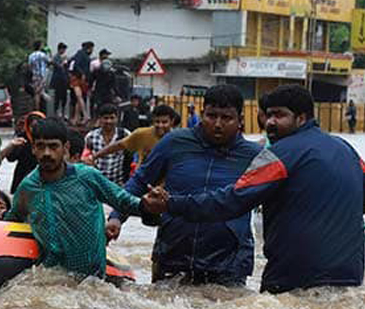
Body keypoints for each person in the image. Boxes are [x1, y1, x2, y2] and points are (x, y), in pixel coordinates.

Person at [144, 84, 365, 294]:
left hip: (294, 277)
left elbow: (231, 201)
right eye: (268, 115)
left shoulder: (279, 154)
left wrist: (171, 203)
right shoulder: (348, 151)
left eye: (279, 115)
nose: (270, 122)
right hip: (350, 276)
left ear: (301, 118)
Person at [108, 85, 262, 286]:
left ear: (240, 120)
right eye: (211, 115)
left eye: (226, 118)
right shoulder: (175, 142)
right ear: (201, 114)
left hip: (228, 263)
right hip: (173, 254)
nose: (217, 124)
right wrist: (116, 218)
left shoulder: (254, 156)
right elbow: (140, 181)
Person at [5, 117, 143, 278]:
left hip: (93, 280)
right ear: (33, 149)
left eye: (53, 146)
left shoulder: (87, 177)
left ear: (65, 148)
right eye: (40, 146)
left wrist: (149, 207)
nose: (47, 153)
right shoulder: (27, 188)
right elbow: (12, 221)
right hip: (52, 281)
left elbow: (123, 200)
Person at [92, 104, 175, 171]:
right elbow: (118, 145)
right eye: (157, 122)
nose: (160, 125)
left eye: (164, 122)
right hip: (142, 179)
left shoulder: (177, 139)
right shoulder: (141, 134)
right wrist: (94, 156)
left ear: (172, 121)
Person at [83, 103, 130, 186]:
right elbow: (85, 158)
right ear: (100, 119)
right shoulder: (90, 137)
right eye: (106, 118)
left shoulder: (125, 134)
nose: (109, 121)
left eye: (112, 118)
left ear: (117, 119)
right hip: (96, 183)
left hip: (118, 184)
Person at [3, 111, 45, 194]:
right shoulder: (22, 138)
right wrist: (14, 146)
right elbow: (11, 158)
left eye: (38, 126)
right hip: (22, 176)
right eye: (32, 126)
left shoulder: (47, 139)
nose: (35, 130)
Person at [68, 41, 94, 125]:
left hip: (81, 78)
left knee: (79, 98)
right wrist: (82, 73)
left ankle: (76, 118)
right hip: (78, 77)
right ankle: (85, 115)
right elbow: (76, 65)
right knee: (79, 96)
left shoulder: (83, 55)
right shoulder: (80, 54)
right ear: (89, 48)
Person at [28, 40, 49, 112]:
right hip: (42, 76)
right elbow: (49, 61)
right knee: (38, 93)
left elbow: (30, 66)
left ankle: (37, 108)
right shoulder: (42, 55)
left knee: (37, 92)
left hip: (35, 75)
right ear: (40, 46)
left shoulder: (31, 56)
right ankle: (38, 109)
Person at [50, 42, 69, 118]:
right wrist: (63, 61)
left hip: (64, 80)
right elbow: (58, 66)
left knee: (64, 97)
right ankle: (56, 112)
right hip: (58, 80)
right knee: (57, 97)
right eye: (63, 49)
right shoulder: (56, 57)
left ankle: (63, 112)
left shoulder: (64, 57)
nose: (64, 51)